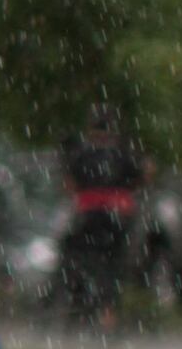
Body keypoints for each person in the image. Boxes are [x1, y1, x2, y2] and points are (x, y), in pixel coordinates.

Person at [61, 105, 149, 322]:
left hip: (88, 215)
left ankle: (80, 306)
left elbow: (69, 185)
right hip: (118, 214)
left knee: (80, 259)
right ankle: (108, 311)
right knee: (113, 264)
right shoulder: (123, 153)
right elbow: (140, 179)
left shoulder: (81, 154)